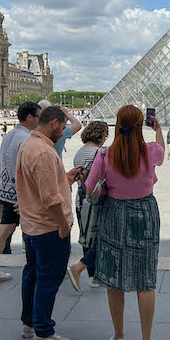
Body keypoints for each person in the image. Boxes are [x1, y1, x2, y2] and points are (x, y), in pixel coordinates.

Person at [84, 105, 163, 340]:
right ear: (141, 126)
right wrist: (158, 129)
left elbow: (88, 190)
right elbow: (162, 150)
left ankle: (118, 338)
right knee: (145, 278)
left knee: (114, 277)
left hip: (114, 214)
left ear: (116, 126)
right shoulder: (150, 152)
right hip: (145, 214)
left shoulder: (105, 155)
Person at [15, 105, 82, 340]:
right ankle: (43, 332)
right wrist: (63, 225)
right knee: (48, 279)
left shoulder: (28, 144)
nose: (64, 130)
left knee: (32, 274)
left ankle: (29, 322)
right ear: (54, 122)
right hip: (48, 226)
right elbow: (51, 199)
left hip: (31, 223)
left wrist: (66, 177)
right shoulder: (43, 152)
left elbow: (38, 183)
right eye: (63, 126)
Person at [0, 102, 40, 284]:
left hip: (7, 191)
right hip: (22, 194)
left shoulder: (8, 136)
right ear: (30, 117)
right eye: (38, 116)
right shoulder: (27, 139)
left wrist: (3, 187)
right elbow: (26, 169)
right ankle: (35, 269)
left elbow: (1, 163)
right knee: (33, 230)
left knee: (4, 228)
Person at [68, 121, 109, 291]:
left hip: (80, 198)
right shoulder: (101, 153)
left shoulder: (79, 152)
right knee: (101, 236)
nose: (107, 138)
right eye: (106, 134)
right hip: (97, 199)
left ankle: (93, 275)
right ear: (100, 135)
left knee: (86, 237)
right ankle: (90, 272)